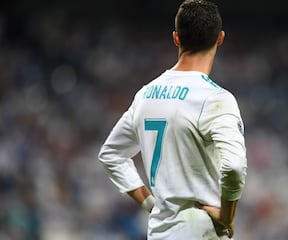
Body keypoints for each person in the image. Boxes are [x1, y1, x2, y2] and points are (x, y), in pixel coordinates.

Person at [98, 0, 247, 239]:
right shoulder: (215, 99)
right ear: (220, 38)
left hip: (159, 231)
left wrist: (150, 204)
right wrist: (226, 218)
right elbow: (234, 167)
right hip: (201, 230)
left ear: (176, 38)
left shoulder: (145, 95)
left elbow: (111, 154)